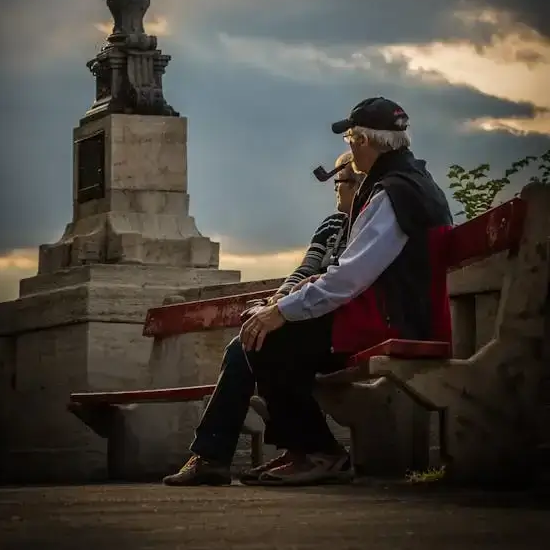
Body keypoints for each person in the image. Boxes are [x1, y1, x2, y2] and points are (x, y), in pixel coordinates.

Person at [234, 96, 453, 486]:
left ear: (364, 141)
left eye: (350, 139)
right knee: (273, 335)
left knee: (267, 337)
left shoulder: (391, 193)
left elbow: (348, 277)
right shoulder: (410, 182)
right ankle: (302, 450)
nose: (349, 149)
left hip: (394, 321)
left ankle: (319, 453)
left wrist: (280, 310)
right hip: (402, 312)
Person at [162, 152, 362, 487]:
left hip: (335, 330)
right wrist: (276, 300)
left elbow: (341, 281)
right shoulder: (332, 225)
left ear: (358, 184)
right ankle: (216, 457)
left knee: (257, 343)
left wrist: (284, 307)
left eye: (339, 181)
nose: (334, 189)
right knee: (244, 343)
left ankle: (307, 451)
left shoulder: (367, 227)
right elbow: (305, 269)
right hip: (306, 322)